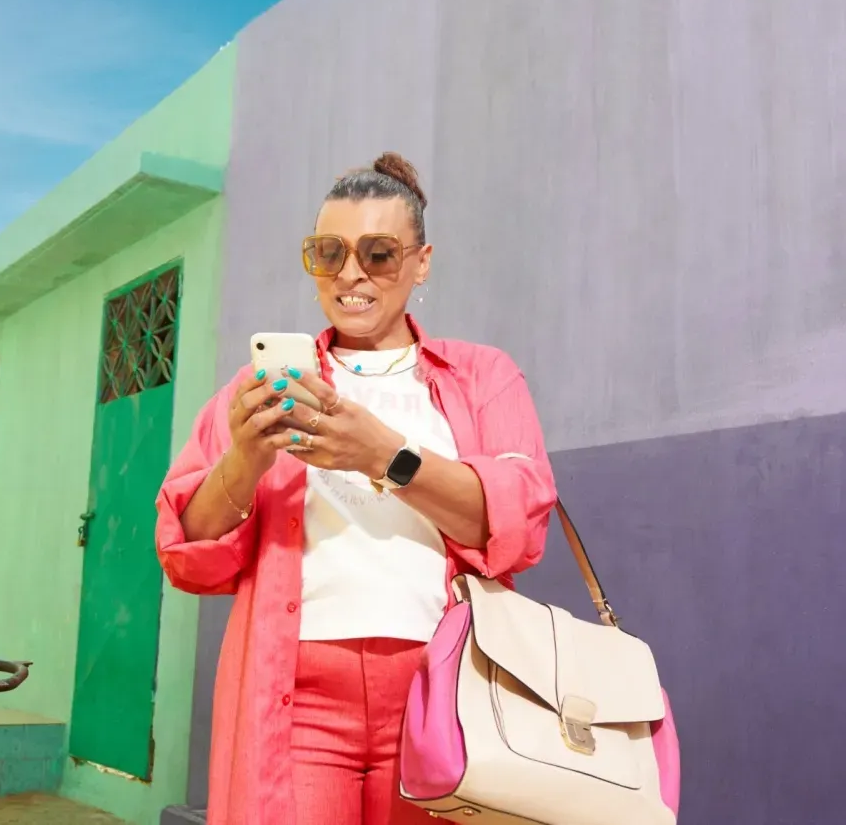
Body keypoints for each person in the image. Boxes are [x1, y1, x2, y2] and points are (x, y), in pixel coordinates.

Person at [154, 152, 559, 824]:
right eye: (327, 252)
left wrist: (385, 455)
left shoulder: (482, 378)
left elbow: (516, 524)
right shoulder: (258, 392)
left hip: (444, 692)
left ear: (421, 261)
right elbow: (187, 550)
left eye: (378, 253)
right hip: (296, 701)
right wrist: (245, 461)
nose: (350, 275)